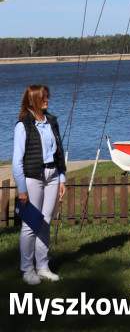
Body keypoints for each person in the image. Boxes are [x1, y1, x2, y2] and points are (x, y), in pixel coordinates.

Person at [12, 84, 67, 285]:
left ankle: (43, 266)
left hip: (53, 176)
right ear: (32, 101)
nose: (48, 100)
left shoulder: (51, 122)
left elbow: (58, 152)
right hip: (33, 177)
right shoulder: (23, 126)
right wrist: (22, 189)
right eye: (44, 98)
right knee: (30, 224)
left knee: (45, 222)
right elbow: (17, 161)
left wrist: (61, 178)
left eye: (48, 97)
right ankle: (27, 269)